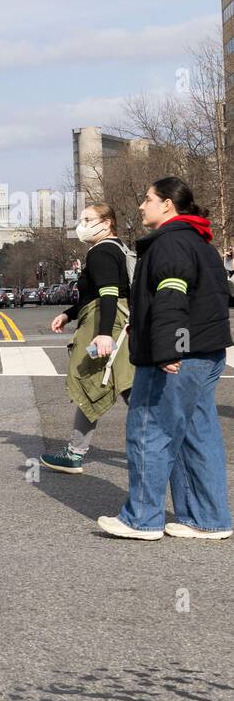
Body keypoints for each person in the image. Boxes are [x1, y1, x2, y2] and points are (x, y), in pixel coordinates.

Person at [100, 177, 233, 540]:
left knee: (149, 429)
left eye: (147, 199)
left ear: (168, 205)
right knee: (196, 435)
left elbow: (173, 298)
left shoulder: (170, 242)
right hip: (205, 353)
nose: (141, 206)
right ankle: (208, 518)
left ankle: (141, 519)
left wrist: (170, 347)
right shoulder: (200, 242)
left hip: (180, 355)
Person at [41, 204, 133, 474]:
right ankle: (75, 452)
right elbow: (96, 294)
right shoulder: (116, 248)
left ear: (106, 224)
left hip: (107, 324)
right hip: (117, 322)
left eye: (88, 219)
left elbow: (108, 294)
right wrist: (69, 314)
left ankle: (75, 453)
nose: (82, 224)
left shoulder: (102, 252)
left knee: (93, 385)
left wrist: (104, 333)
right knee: (126, 386)